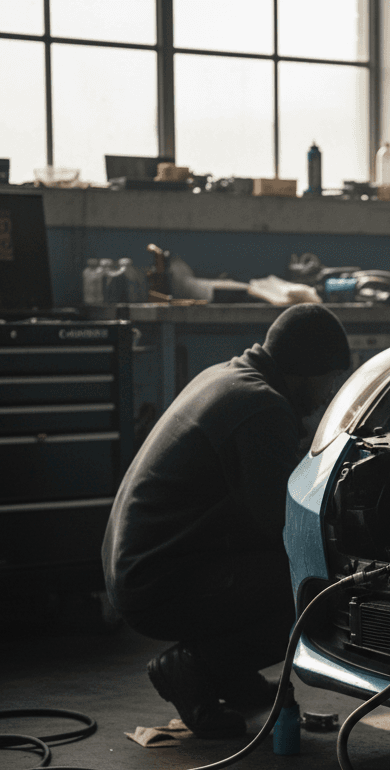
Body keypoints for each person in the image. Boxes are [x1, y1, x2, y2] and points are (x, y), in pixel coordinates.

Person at [102, 304, 350, 738]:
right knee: (314, 588)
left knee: (288, 571)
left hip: (142, 567)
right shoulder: (262, 407)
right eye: (329, 378)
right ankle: (193, 669)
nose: (331, 391)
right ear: (304, 369)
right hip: (156, 582)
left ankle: (231, 678)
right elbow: (280, 524)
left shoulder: (226, 376)